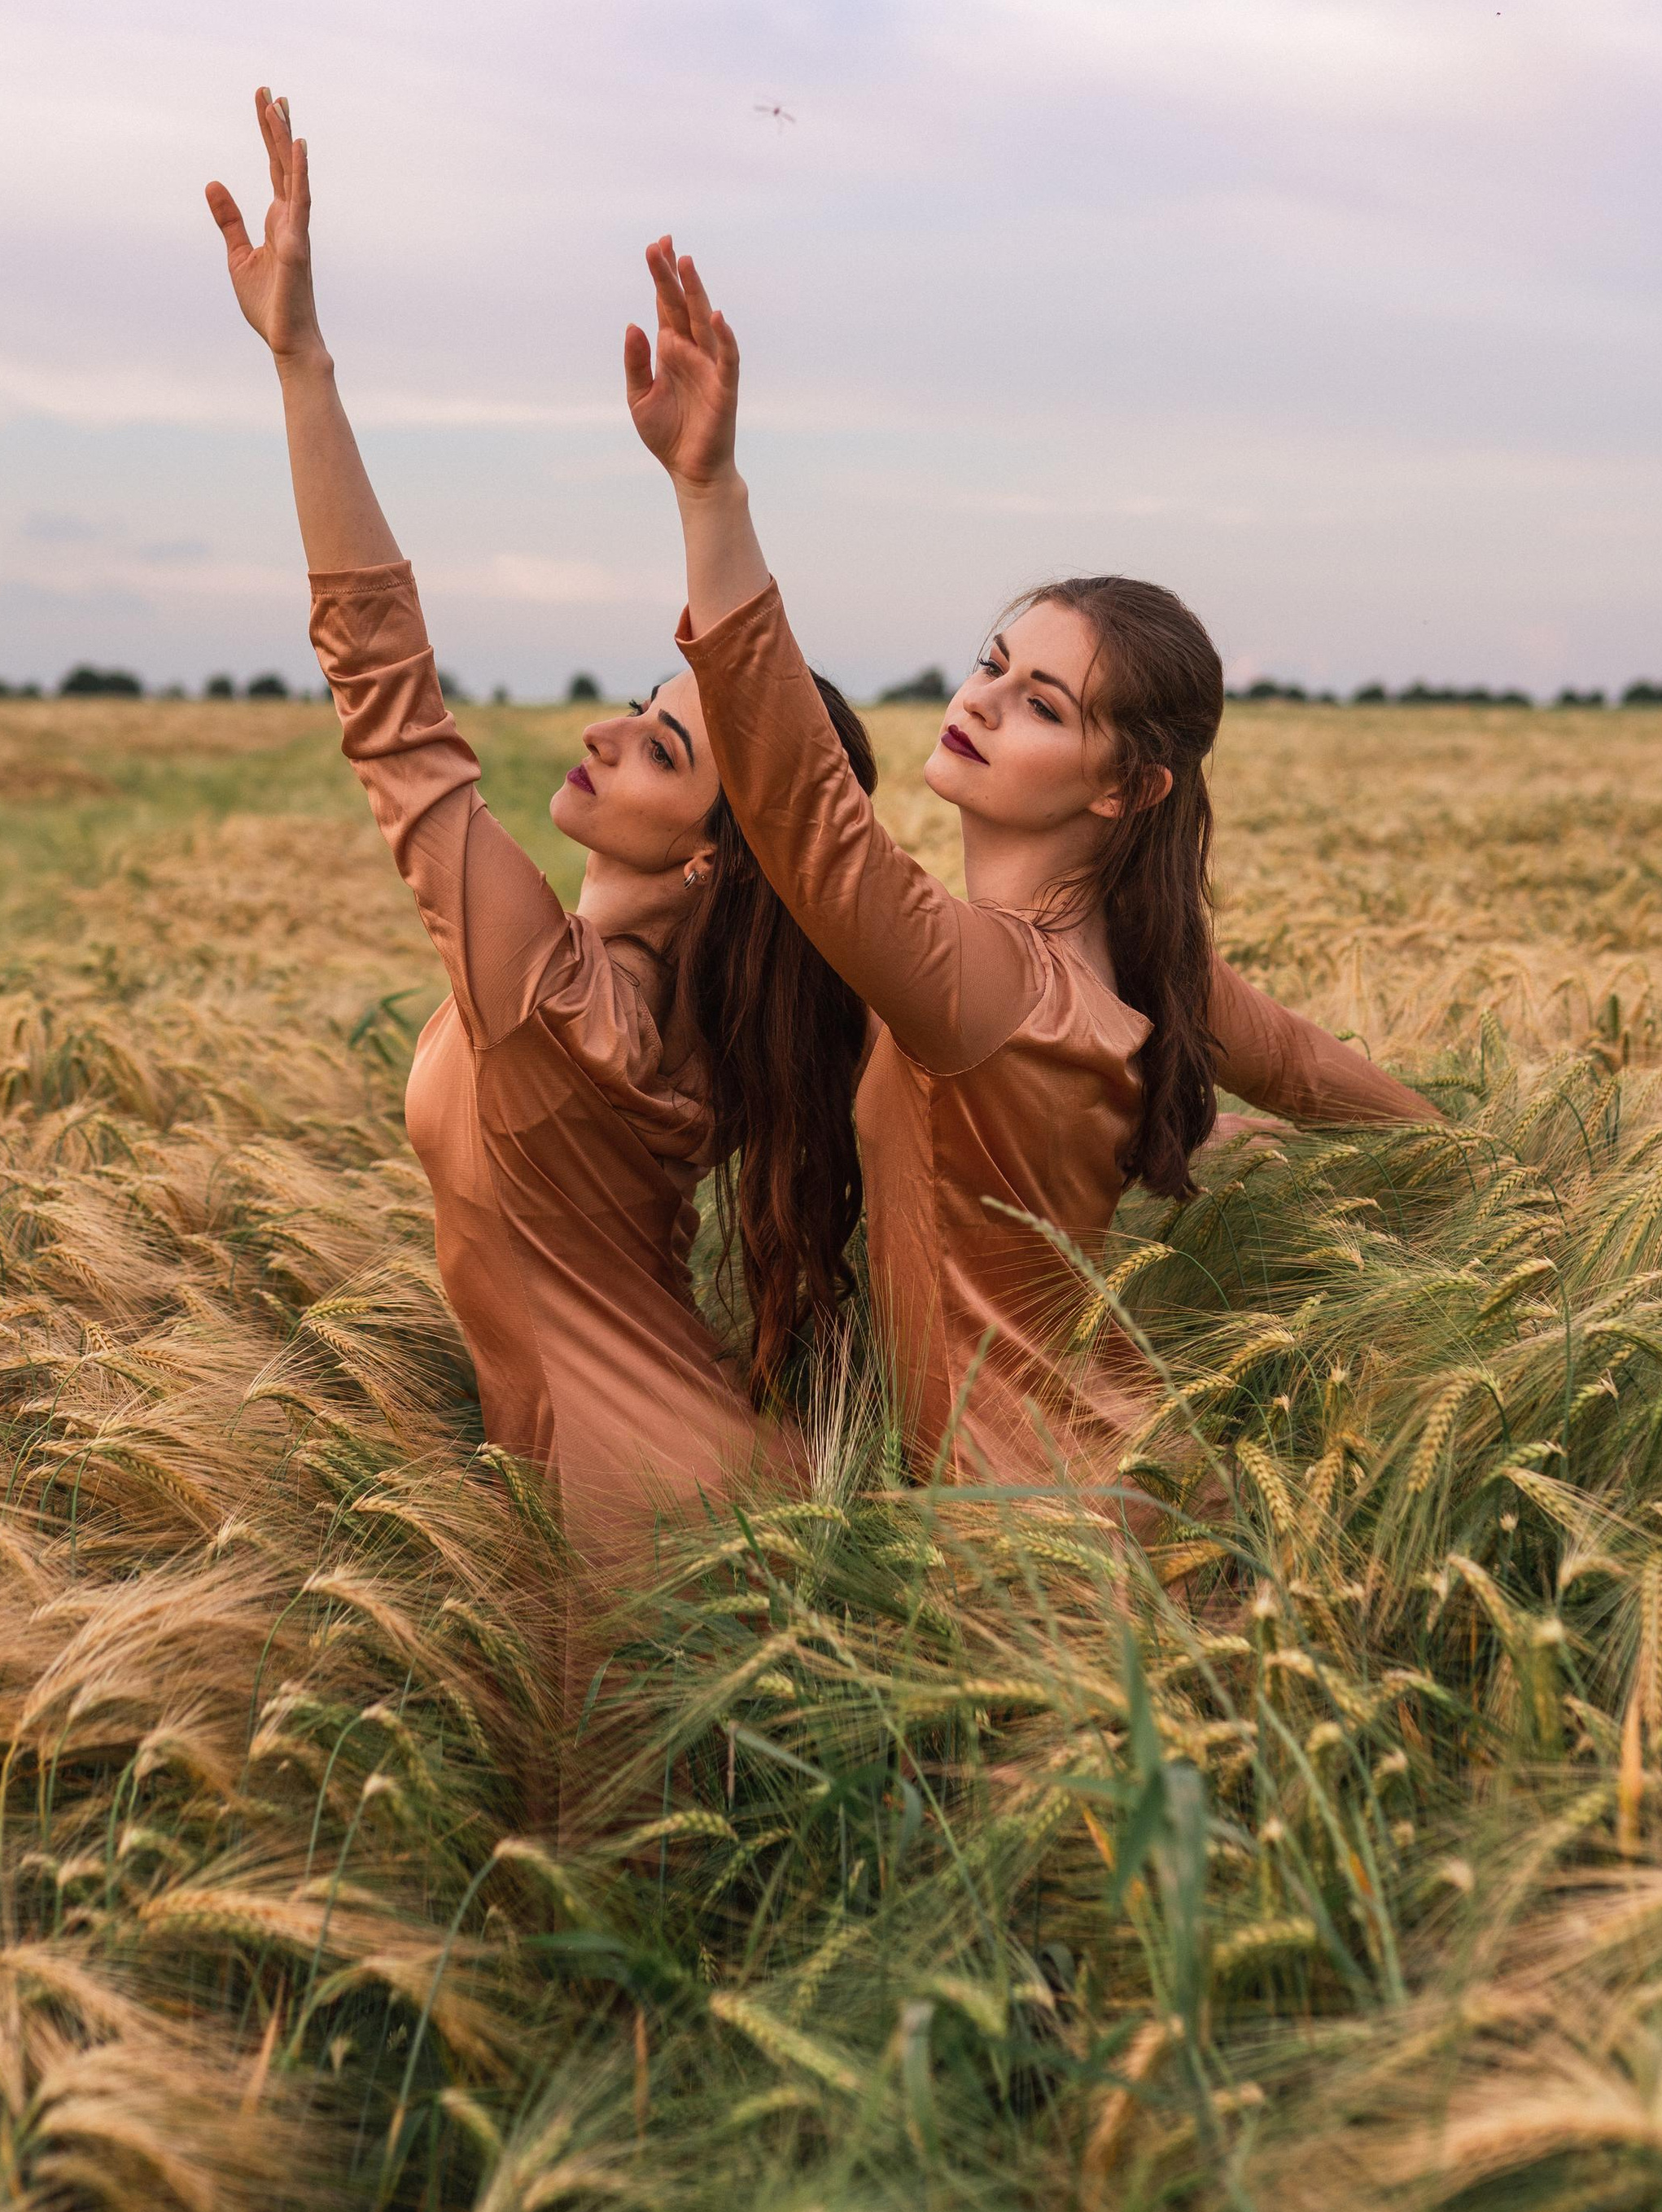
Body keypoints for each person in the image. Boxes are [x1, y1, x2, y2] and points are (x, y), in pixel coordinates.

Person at [627, 235, 1441, 1502]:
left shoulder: (987, 980)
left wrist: (711, 492)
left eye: (1045, 703)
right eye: (993, 662)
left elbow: (799, 811)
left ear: (1126, 787)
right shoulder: (1144, 959)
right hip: (1116, 1497)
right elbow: (1319, 1076)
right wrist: (1493, 1171)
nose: (985, 701)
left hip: (1025, 1554)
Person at [204, 95, 873, 1613]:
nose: (604, 731)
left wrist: (304, 363)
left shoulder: (566, 1009)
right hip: (625, 1501)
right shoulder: (675, 1023)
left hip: (627, 1530)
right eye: (641, 702)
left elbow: (390, 700)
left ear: (713, 860)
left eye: (664, 746)